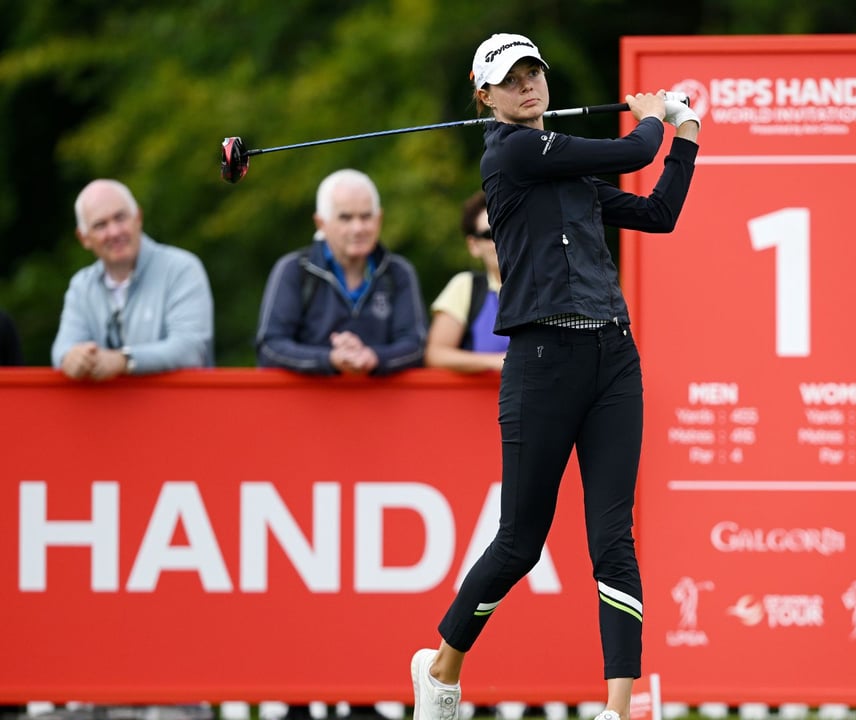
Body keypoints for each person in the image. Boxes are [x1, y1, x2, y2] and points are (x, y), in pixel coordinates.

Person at [410, 32, 701, 720]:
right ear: (485, 97)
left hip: (613, 360)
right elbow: (635, 150)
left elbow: (659, 214)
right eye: (510, 80)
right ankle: (442, 670)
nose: (527, 86)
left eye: (533, 73)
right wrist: (656, 113)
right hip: (542, 365)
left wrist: (685, 137)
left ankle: (617, 709)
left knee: (612, 538)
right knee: (521, 542)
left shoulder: (569, 175)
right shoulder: (510, 154)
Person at [256, 168, 428, 375]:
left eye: (366, 217)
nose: (358, 228)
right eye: (345, 218)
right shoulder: (294, 270)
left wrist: (373, 357)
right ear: (321, 223)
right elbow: (270, 347)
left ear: (379, 219)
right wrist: (329, 359)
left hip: (383, 406)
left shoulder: (399, 272)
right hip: (307, 405)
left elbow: (416, 346)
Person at [52, 179, 214, 380]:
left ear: (138, 217)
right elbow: (62, 350)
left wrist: (124, 360)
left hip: (180, 409)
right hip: (107, 411)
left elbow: (190, 349)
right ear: (84, 238)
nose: (114, 232)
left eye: (120, 218)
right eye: (100, 225)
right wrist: (72, 357)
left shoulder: (181, 269)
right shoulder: (81, 286)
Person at [424, 190, 508, 372]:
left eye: (507, 227)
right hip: (481, 400)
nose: (500, 239)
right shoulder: (466, 287)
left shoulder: (550, 286)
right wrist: (496, 362)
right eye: (489, 234)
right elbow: (436, 354)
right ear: (473, 245)